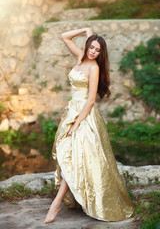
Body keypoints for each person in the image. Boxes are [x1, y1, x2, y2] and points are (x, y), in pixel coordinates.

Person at [43, 27, 134, 224]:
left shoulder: (94, 67)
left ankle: (56, 203)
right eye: (91, 47)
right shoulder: (81, 55)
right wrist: (86, 30)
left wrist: (77, 123)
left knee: (73, 154)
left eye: (97, 50)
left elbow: (91, 99)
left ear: (101, 53)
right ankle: (66, 197)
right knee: (67, 154)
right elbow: (63, 36)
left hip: (85, 115)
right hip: (71, 112)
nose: (92, 52)